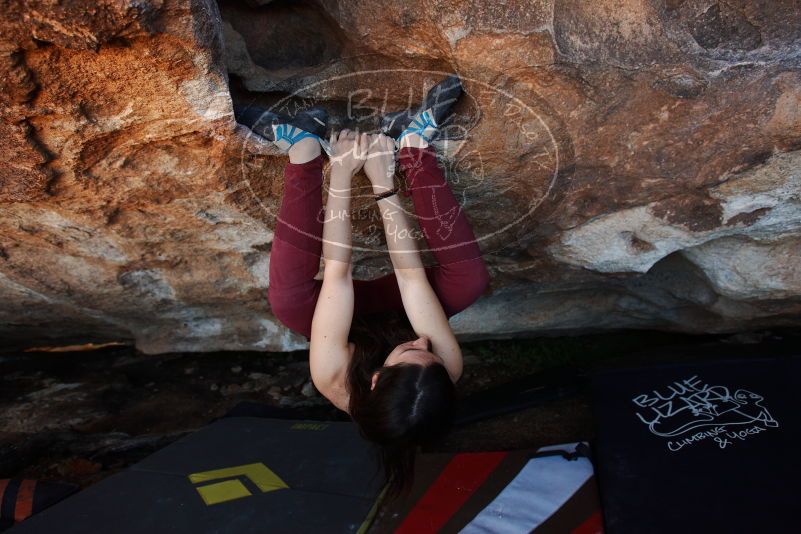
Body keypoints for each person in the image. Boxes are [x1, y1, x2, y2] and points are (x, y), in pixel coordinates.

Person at [234, 76, 490, 497]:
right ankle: (413, 146)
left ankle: (302, 149)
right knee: (469, 281)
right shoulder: (444, 370)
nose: (426, 346)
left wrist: (340, 169)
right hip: (401, 302)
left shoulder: (331, 375)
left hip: (335, 315)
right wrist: (384, 180)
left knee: (287, 301)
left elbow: (337, 270)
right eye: (433, 357)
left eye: (414, 353)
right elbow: (409, 277)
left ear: (375, 380)